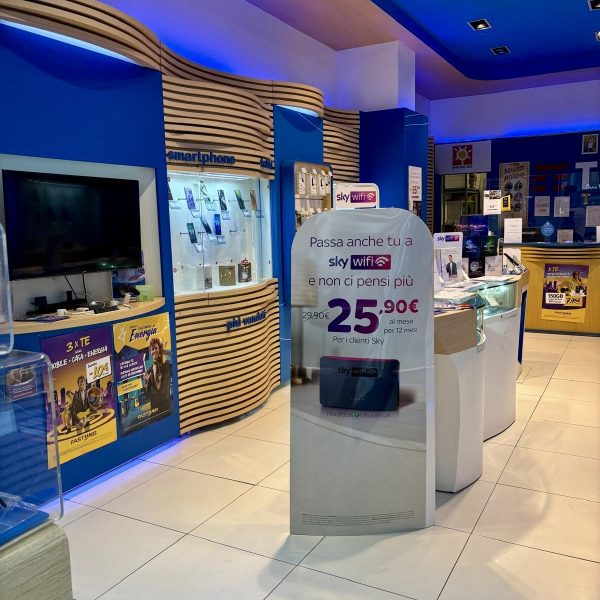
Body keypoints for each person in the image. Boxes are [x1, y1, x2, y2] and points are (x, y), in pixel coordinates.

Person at [143, 337, 172, 415]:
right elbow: (147, 396)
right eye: (152, 349)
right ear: (150, 352)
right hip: (154, 412)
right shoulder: (148, 372)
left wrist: (166, 352)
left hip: (167, 409)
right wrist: (146, 383)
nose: (154, 351)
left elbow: (176, 361)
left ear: (160, 349)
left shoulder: (167, 365)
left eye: (156, 348)